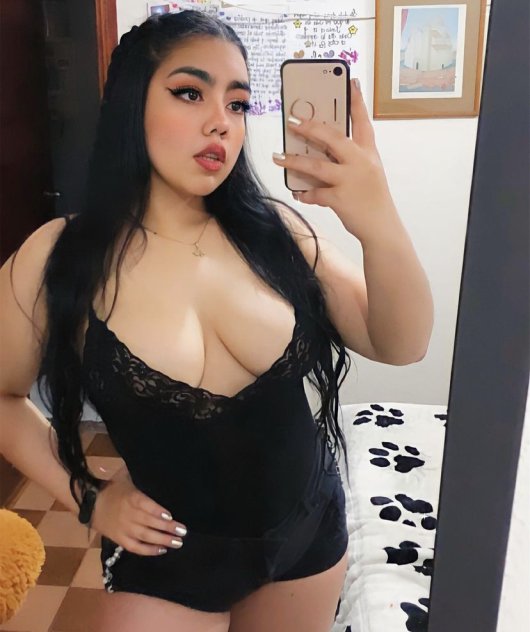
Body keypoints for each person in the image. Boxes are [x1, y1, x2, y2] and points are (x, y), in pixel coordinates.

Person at [0, 10, 433, 632]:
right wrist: (88, 496)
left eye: (237, 104)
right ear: (129, 103)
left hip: (306, 537)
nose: (220, 123)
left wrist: (377, 218)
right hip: (169, 555)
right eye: (189, 92)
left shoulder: (276, 232)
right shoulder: (58, 255)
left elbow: (401, 343)